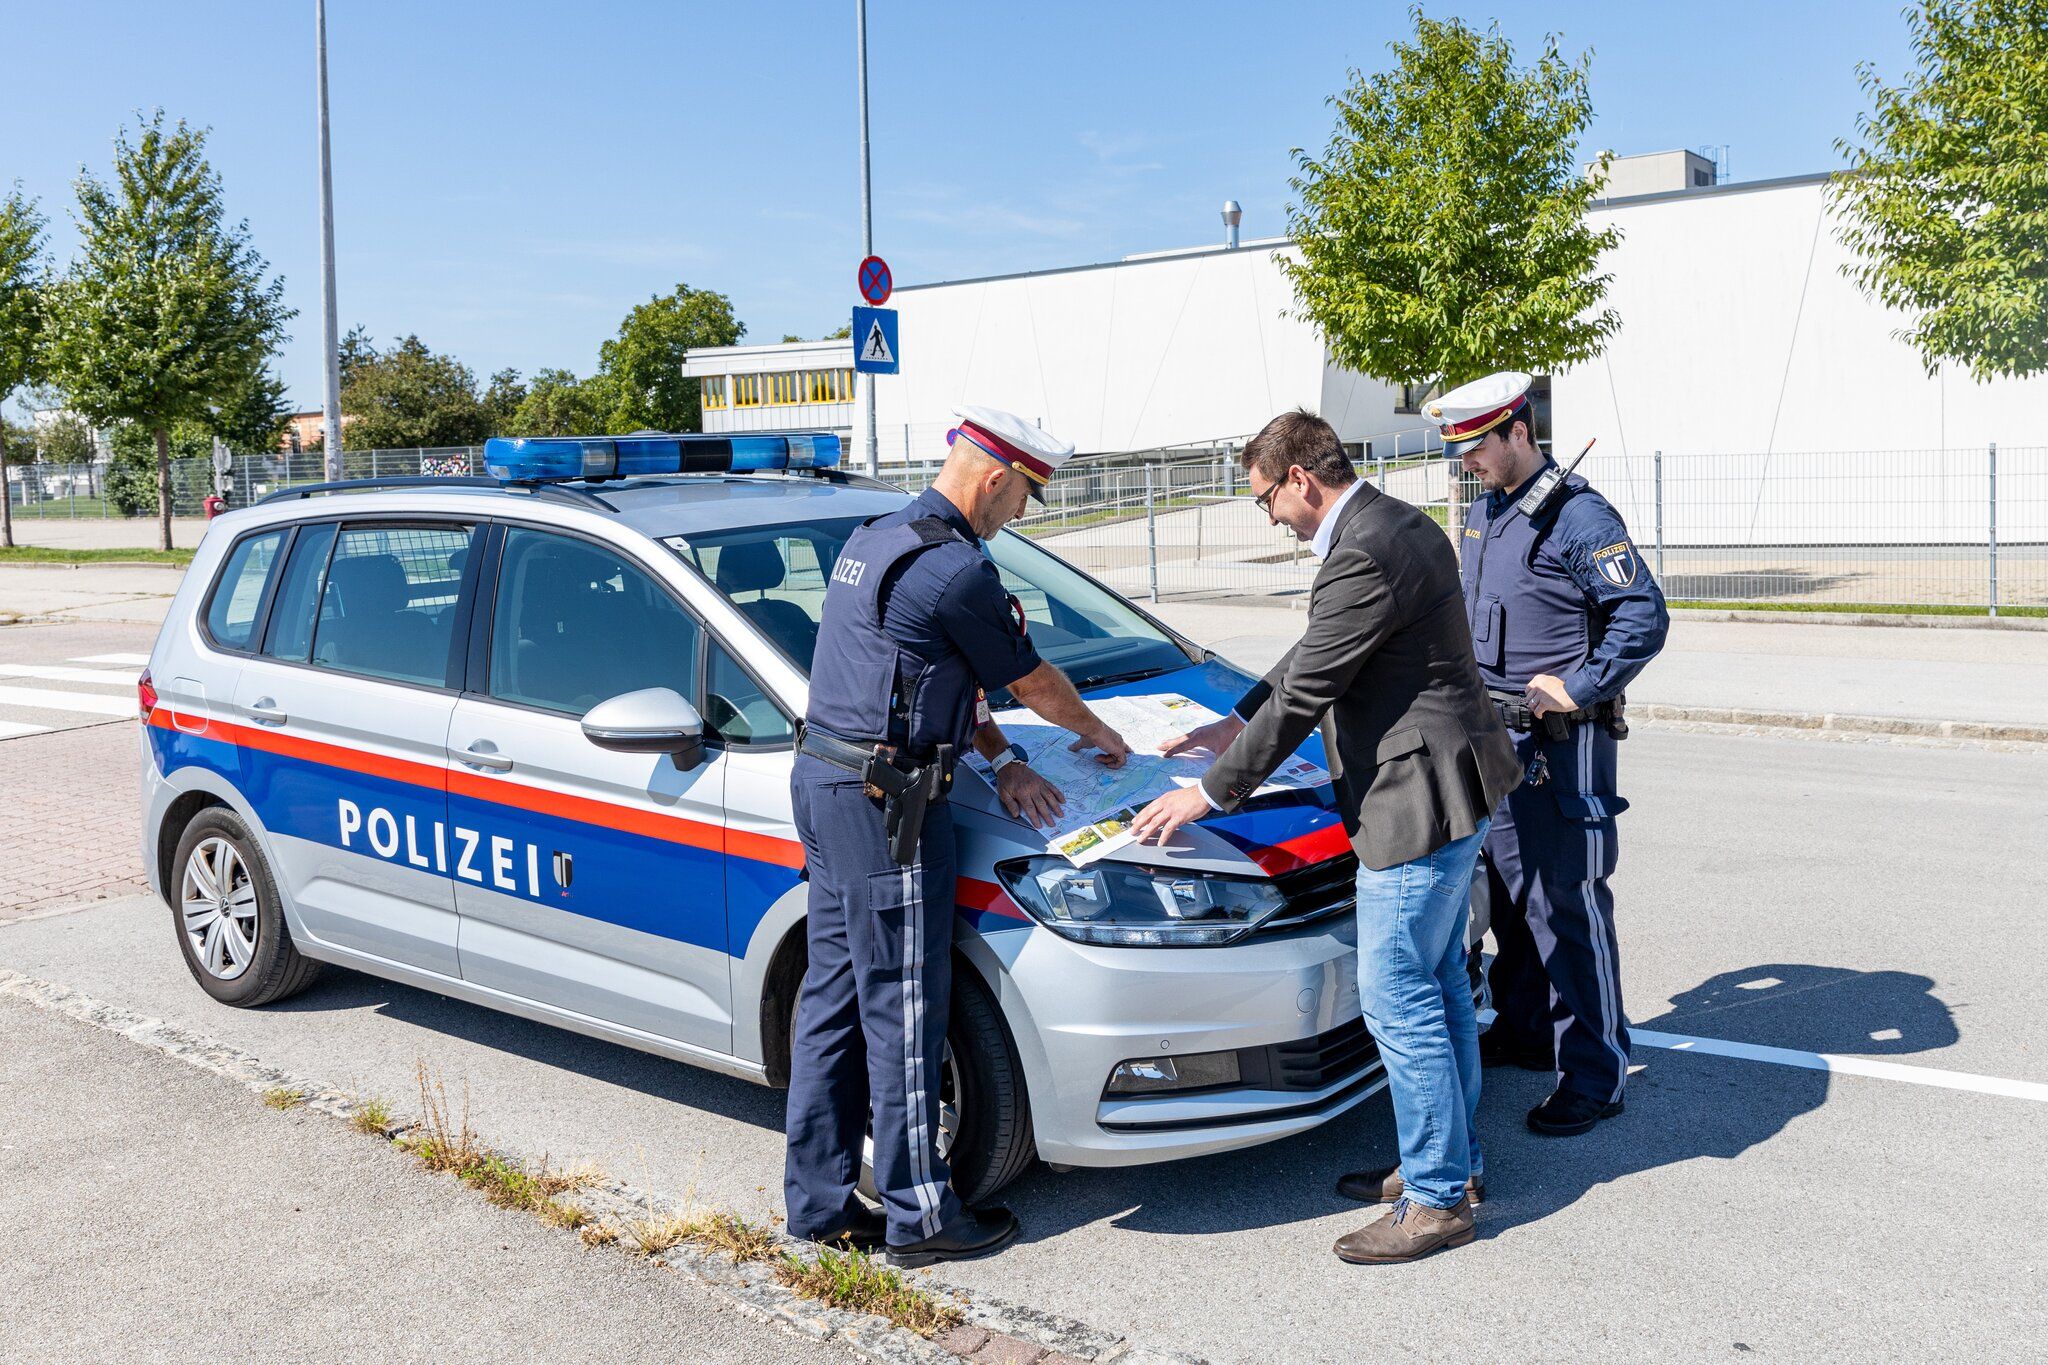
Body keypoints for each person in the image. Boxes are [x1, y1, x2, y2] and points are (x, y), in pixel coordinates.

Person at [1129, 409, 1520, 1265]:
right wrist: (1232, 719)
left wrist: (1211, 789)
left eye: (1265, 498)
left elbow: (1308, 687)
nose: (1270, 515)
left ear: (1300, 479)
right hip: (1454, 784)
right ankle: (1452, 1164)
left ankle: (1437, 1196)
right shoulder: (1393, 522)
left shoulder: (1365, 548)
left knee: (1398, 994)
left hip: (1415, 800)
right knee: (1439, 984)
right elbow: (1315, 651)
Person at [786, 405, 1132, 1268]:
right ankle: (919, 1214)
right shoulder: (957, 569)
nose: (1019, 514)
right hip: (890, 805)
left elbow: (931, 678)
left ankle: (819, 1204)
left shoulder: (877, 538)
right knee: (906, 1004)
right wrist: (1100, 734)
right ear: (995, 479)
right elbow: (1031, 680)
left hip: (829, 783)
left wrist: (1003, 757)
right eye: (1022, 497)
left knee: (833, 999)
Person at [1427, 372, 1669, 1136]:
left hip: (1559, 745)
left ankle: (1596, 1073)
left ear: (1519, 430)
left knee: (1565, 904)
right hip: (1493, 739)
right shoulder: (1486, 511)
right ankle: (1529, 1028)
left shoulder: (1577, 515)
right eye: (1461, 451)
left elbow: (1643, 615)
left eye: (1478, 446)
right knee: (1508, 894)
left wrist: (1581, 685)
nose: (1469, 462)